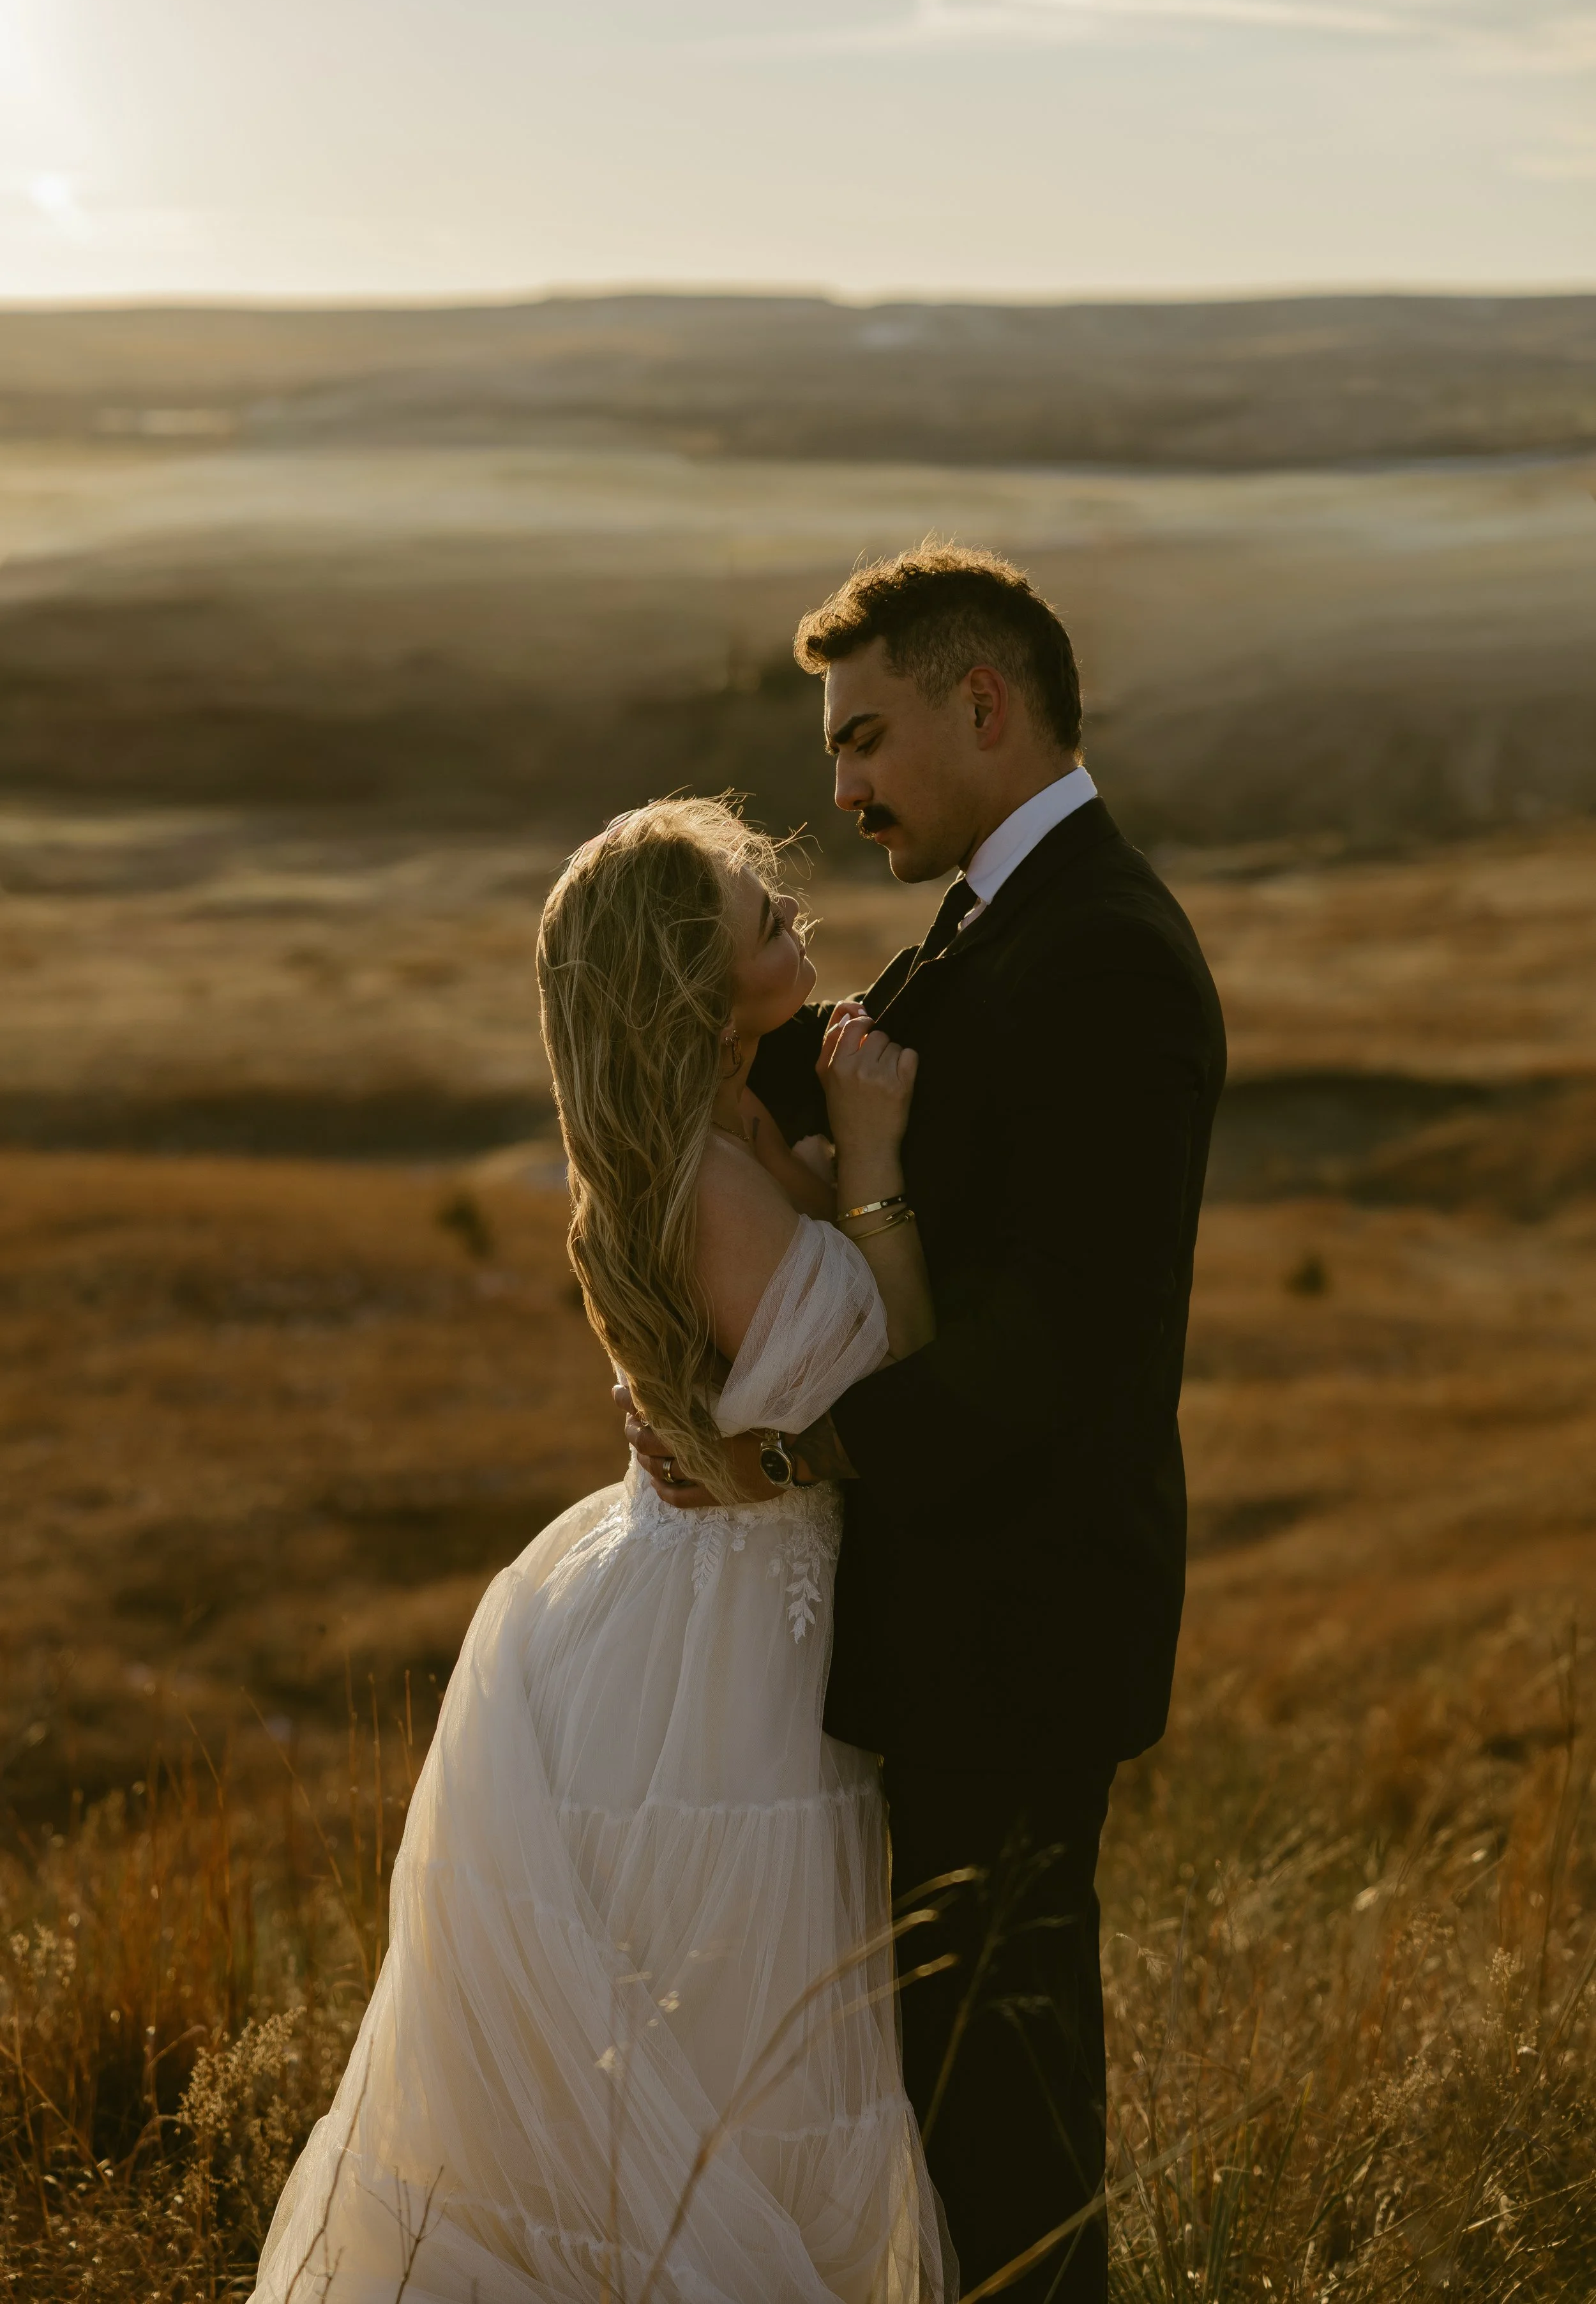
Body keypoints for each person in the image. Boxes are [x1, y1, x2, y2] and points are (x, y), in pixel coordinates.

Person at [248, 796, 950, 2304]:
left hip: (716, 1595)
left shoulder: (726, 1117)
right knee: (722, 2067)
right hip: (712, 1651)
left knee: (721, 2063)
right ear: (679, 976)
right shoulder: (702, 1183)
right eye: (737, 903)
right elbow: (895, 1362)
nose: (777, 899)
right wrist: (877, 1152)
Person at [626, 546, 1228, 2301]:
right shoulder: (992, 922)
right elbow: (842, 1072)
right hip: (958, 1614)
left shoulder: (1102, 952)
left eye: (868, 737)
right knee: (954, 2087)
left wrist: (800, 1454)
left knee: (1007, 2103)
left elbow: (1069, 1340)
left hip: (1025, 1618)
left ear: (986, 704)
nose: (844, 787)